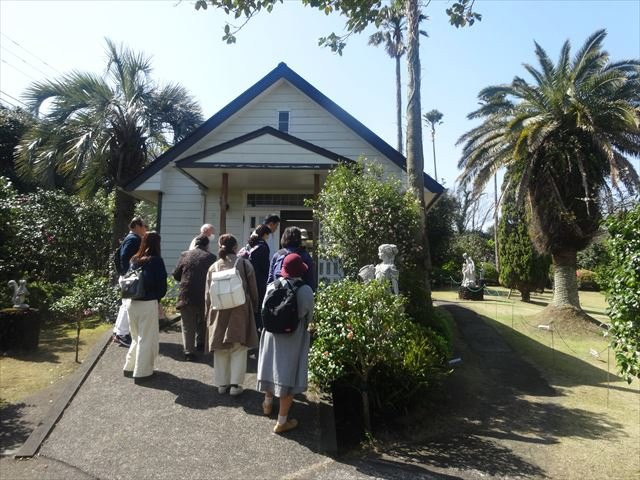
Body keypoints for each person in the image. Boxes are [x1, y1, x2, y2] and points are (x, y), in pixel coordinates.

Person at [257, 253, 314, 434]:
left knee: (270, 369)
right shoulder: (304, 290)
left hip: (271, 334)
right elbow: (308, 315)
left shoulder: (271, 286)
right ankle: (282, 422)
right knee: (287, 376)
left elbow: (263, 309)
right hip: (292, 336)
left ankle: (267, 405)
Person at [205, 234, 259, 396]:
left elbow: (208, 295)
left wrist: (207, 313)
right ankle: (235, 385)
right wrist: (254, 306)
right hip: (239, 310)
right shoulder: (244, 264)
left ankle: (222, 384)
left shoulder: (213, 267)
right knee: (238, 348)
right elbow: (253, 289)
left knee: (220, 348)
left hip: (218, 310)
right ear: (235, 248)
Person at [123, 232, 167, 381]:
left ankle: (129, 366)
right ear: (157, 244)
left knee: (136, 337)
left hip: (131, 302)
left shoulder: (134, 260)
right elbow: (162, 286)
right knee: (146, 338)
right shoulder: (156, 261)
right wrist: (158, 298)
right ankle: (142, 372)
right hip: (147, 303)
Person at [172, 235, 216, 361]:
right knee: (203, 320)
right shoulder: (211, 257)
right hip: (204, 294)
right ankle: (201, 343)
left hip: (186, 294)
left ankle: (188, 351)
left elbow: (176, 274)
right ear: (207, 245)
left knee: (187, 324)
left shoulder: (185, 255)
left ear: (195, 244)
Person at [113, 217, 147, 347]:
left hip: (127, 276)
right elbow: (124, 257)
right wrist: (128, 274)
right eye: (144, 226)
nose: (145, 228)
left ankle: (118, 332)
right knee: (128, 306)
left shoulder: (131, 238)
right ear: (137, 226)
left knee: (125, 305)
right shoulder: (133, 239)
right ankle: (122, 334)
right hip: (129, 278)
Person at [267, 227, 316, 291]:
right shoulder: (304, 255)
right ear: (299, 239)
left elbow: (270, 279)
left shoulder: (277, 255)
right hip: (299, 293)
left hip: (278, 292)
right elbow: (310, 279)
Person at [248, 224, 272, 334]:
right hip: (260, 278)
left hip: (250, 277)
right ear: (265, 234)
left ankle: (252, 328)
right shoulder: (263, 246)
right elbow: (265, 265)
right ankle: (259, 328)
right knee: (260, 303)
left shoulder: (251, 244)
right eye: (268, 234)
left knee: (253, 304)